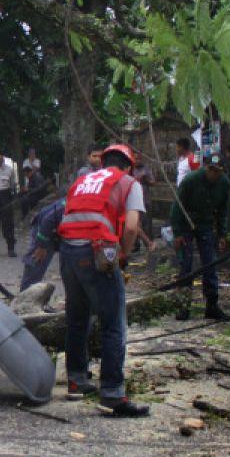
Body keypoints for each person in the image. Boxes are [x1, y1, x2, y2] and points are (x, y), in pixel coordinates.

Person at [56, 143, 149, 417]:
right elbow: (131, 226)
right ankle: (112, 394)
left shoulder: (82, 181)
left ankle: (77, 381)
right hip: (97, 252)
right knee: (113, 323)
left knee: (77, 318)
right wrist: (122, 254)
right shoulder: (129, 183)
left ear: (103, 161)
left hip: (68, 252)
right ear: (129, 166)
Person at [170, 154, 230, 321]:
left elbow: (222, 211)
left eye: (217, 171)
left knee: (210, 263)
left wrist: (221, 234)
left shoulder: (224, 183)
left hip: (205, 224)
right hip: (186, 224)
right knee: (186, 265)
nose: (213, 173)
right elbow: (177, 206)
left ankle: (212, 304)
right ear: (206, 168)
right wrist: (177, 233)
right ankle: (183, 306)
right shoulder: (191, 180)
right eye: (210, 169)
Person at [20, 194, 65, 292]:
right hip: (45, 228)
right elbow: (48, 220)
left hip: (56, 228)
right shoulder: (72, 204)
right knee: (37, 260)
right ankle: (25, 297)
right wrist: (41, 245)